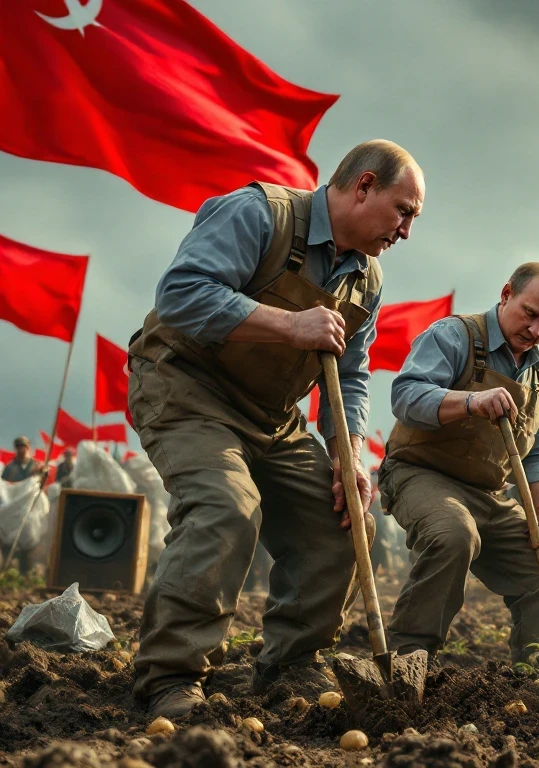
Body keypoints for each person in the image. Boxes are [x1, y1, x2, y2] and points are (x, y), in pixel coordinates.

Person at [126, 140, 425, 719]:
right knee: (225, 507)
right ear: (363, 186)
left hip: (272, 416)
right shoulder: (259, 214)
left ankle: (290, 664)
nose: (407, 230)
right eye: (403, 210)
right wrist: (289, 324)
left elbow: (352, 372)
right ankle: (170, 676)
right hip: (189, 387)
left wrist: (348, 451)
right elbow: (182, 294)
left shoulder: (367, 278)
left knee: (340, 517)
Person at [379, 263, 539, 663]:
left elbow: (537, 449)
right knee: (453, 534)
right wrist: (469, 401)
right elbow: (406, 396)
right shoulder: (456, 335)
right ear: (506, 294)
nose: (536, 329)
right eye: (530, 313)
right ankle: (407, 661)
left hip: (488, 493)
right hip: (420, 474)